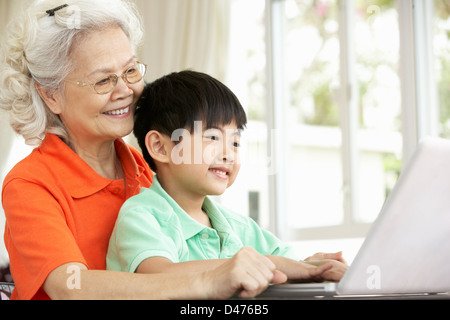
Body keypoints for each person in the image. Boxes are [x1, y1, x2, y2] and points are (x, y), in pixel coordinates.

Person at [0, 0, 291, 300]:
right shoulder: (30, 184)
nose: (125, 90)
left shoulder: (145, 168)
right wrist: (208, 281)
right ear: (51, 96)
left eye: (130, 70)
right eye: (103, 80)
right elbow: (70, 287)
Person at [107, 71, 347, 281]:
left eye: (234, 142)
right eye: (212, 137)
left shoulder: (236, 226)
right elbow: (159, 276)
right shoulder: (141, 216)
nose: (228, 154)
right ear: (160, 147)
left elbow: (285, 263)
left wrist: (311, 265)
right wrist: (259, 263)